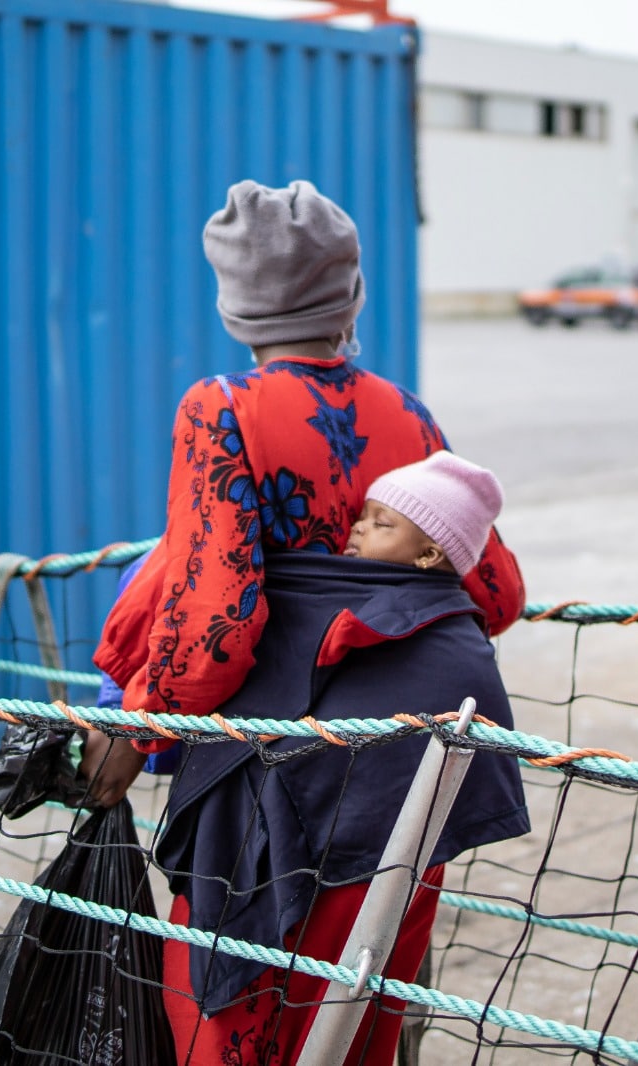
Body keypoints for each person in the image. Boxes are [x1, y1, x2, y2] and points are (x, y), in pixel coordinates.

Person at [88, 178, 525, 801]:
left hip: (265, 757)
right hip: (407, 756)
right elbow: (496, 596)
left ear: (235, 305)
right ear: (350, 298)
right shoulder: (408, 414)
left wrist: (142, 725)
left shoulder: (222, 407)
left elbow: (214, 621)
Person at [151, 449, 529, 1063]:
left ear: (431, 553)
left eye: (384, 523)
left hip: (370, 879)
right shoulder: (306, 594)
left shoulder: (454, 649)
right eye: (364, 514)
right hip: (258, 847)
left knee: (336, 1013)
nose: (357, 527)